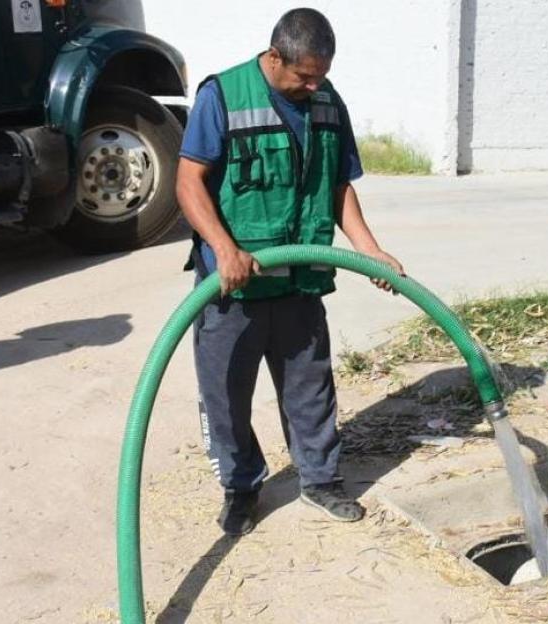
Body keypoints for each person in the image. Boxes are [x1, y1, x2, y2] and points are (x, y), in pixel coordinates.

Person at [176, 8, 403, 536]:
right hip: (234, 285)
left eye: (321, 73)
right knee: (226, 394)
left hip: (299, 281)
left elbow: (339, 184)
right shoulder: (223, 96)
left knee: (311, 387)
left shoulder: (326, 99)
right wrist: (224, 249)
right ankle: (240, 488)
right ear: (274, 57)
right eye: (304, 75)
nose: (314, 83)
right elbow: (188, 182)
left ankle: (320, 480)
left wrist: (369, 249)